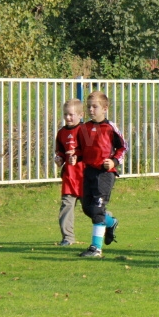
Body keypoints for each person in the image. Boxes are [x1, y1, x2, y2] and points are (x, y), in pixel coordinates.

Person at [74, 91, 128, 258]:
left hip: (105, 173)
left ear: (105, 108)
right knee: (87, 208)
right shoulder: (84, 128)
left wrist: (114, 162)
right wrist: (74, 156)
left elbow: (123, 148)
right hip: (89, 172)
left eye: (94, 106)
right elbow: (81, 150)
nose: (91, 109)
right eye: (88, 106)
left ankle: (95, 248)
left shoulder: (110, 127)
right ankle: (110, 222)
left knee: (97, 208)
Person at [53, 99, 85, 246]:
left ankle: (109, 221)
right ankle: (68, 238)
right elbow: (59, 151)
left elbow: (92, 152)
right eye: (66, 114)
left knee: (91, 209)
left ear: (81, 115)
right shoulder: (61, 133)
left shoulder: (85, 131)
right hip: (69, 177)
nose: (68, 118)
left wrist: (78, 155)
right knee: (66, 207)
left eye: (71, 115)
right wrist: (59, 158)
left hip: (85, 177)